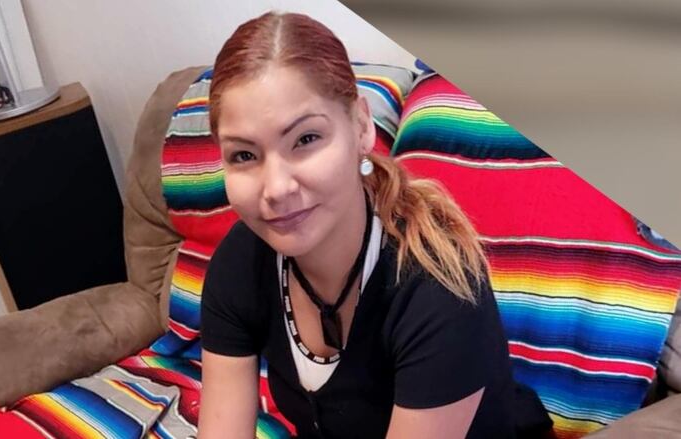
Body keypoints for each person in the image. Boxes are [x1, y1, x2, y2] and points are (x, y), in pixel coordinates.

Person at [198, 10, 545, 439]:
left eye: (306, 140)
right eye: (244, 156)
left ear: (361, 126)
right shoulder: (241, 261)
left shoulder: (439, 291)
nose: (276, 188)